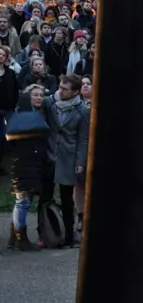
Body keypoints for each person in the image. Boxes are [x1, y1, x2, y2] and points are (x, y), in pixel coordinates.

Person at [41, 74, 90, 248]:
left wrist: (80, 162)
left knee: (66, 198)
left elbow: (83, 138)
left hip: (68, 157)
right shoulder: (50, 102)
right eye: (60, 87)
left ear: (75, 92)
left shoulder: (82, 110)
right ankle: (44, 234)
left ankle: (69, 236)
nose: (60, 90)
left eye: (65, 89)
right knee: (45, 196)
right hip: (49, 154)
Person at [7, 84, 49, 251]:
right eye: (35, 95)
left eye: (41, 95)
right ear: (27, 98)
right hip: (24, 164)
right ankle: (20, 238)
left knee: (23, 202)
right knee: (22, 202)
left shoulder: (32, 115)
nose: (39, 97)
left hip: (30, 164)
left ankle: (14, 237)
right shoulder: (24, 117)